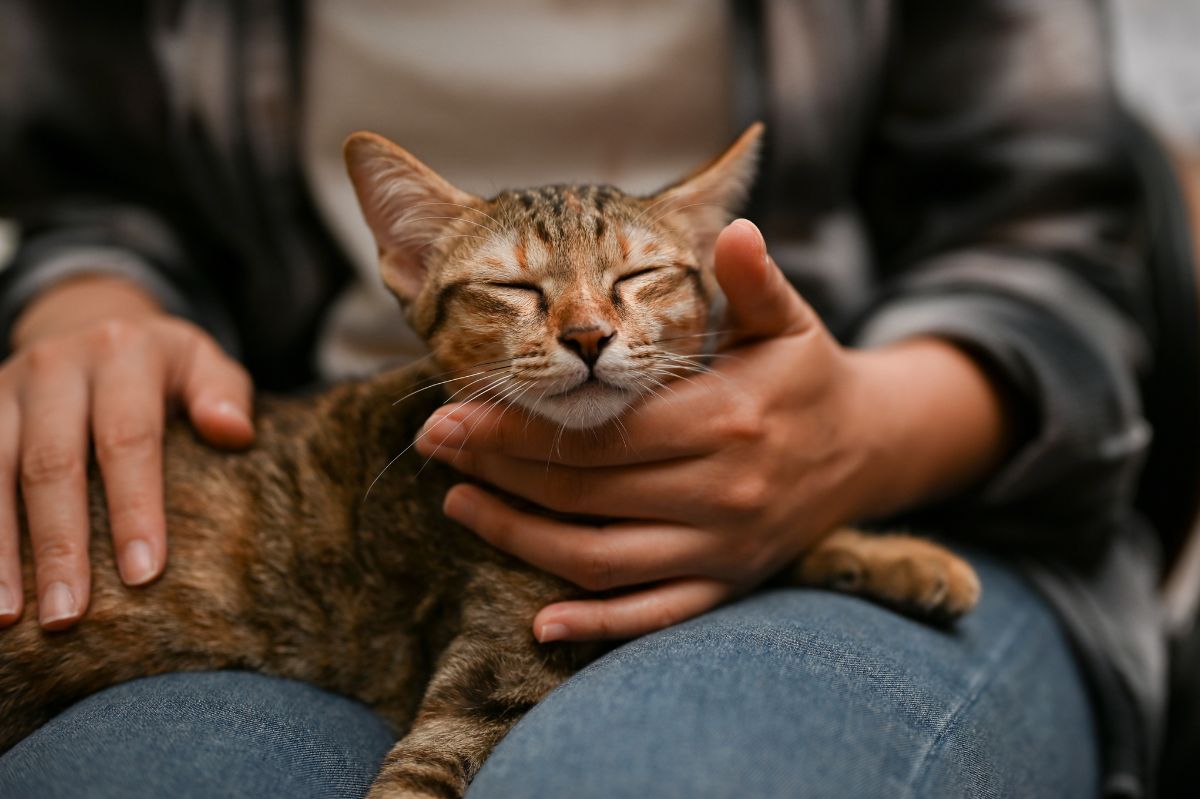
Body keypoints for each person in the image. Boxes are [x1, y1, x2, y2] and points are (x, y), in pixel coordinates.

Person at [0, 2, 1165, 797]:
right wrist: (82, 293)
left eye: (632, 285)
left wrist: (855, 445)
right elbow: (90, 191)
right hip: (356, 486)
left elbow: (1062, 259)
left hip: (920, 476)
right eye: (519, 291)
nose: (589, 326)